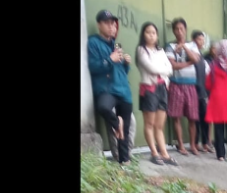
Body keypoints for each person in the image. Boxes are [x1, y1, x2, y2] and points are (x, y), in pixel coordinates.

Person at [87, 10, 133, 165]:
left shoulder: (116, 44)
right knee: (103, 107)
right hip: (107, 89)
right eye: (107, 23)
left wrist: (126, 64)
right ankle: (116, 122)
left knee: (124, 133)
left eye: (112, 23)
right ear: (99, 24)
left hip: (123, 90)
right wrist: (110, 59)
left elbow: (121, 71)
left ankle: (124, 162)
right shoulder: (93, 42)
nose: (111, 26)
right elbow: (93, 67)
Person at [135, 22, 178, 166]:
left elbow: (170, 69)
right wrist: (163, 69)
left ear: (157, 35)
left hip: (162, 89)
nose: (151, 35)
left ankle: (164, 154)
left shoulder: (161, 51)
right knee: (149, 123)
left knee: (159, 125)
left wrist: (163, 70)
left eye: (154, 32)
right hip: (149, 89)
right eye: (148, 32)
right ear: (143, 34)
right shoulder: (141, 50)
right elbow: (151, 68)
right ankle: (154, 153)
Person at [165, 18, 202, 156]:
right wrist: (189, 62)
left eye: (182, 29)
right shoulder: (169, 46)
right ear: (174, 31)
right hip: (176, 84)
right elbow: (173, 65)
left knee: (192, 117)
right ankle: (181, 145)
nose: (179, 32)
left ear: (185, 30)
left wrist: (185, 47)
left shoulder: (192, 45)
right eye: (177, 29)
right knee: (176, 117)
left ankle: (192, 145)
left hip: (191, 85)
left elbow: (197, 59)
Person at [191, 30, 214, 153]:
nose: (201, 42)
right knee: (195, 119)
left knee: (205, 117)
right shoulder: (191, 54)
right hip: (193, 90)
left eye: (203, 40)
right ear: (194, 40)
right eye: (199, 39)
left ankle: (206, 142)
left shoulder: (203, 58)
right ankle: (195, 143)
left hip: (203, 92)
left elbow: (208, 75)